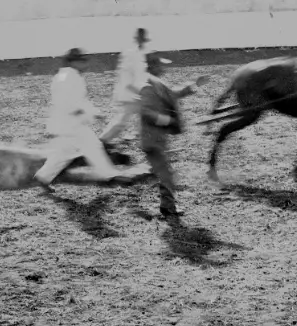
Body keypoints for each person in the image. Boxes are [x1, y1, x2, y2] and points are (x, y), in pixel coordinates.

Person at [34, 48, 129, 193]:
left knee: (64, 152)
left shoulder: (69, 75)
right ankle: (109, 175)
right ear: (73, 61)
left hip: (69, 121)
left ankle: (43, 177)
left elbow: (80, 100)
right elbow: (65, 100)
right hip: (71, 121)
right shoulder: (67, 77)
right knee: (93, 146)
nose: (85, 64)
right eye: (82, 61)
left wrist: (95, 113)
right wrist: (77, 110)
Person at [139, 51, 200, 218]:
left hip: (158, 139)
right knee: (166, 173)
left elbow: (172, 94)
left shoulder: (157, 84)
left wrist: (193, 86)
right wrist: (167, 120)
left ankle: (167, 205)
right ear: (153, 66)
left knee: (163, 172)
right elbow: (145, 112)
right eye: (161, 65)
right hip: (152, 140)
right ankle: (167, 207)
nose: (164, 68)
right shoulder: (147, 87)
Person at [99, 27, 150, 145]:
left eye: (143, 39)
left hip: (136, 92)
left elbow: (141, 74)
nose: (142, 41)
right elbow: (125, 76)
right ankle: (102, 141)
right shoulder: (130, 53)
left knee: (145, 113)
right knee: (120, 122)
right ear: (137, 38)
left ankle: (140, 137)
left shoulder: (141, 54)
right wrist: (135, 90)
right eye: (141, 38)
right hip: (128, 93)